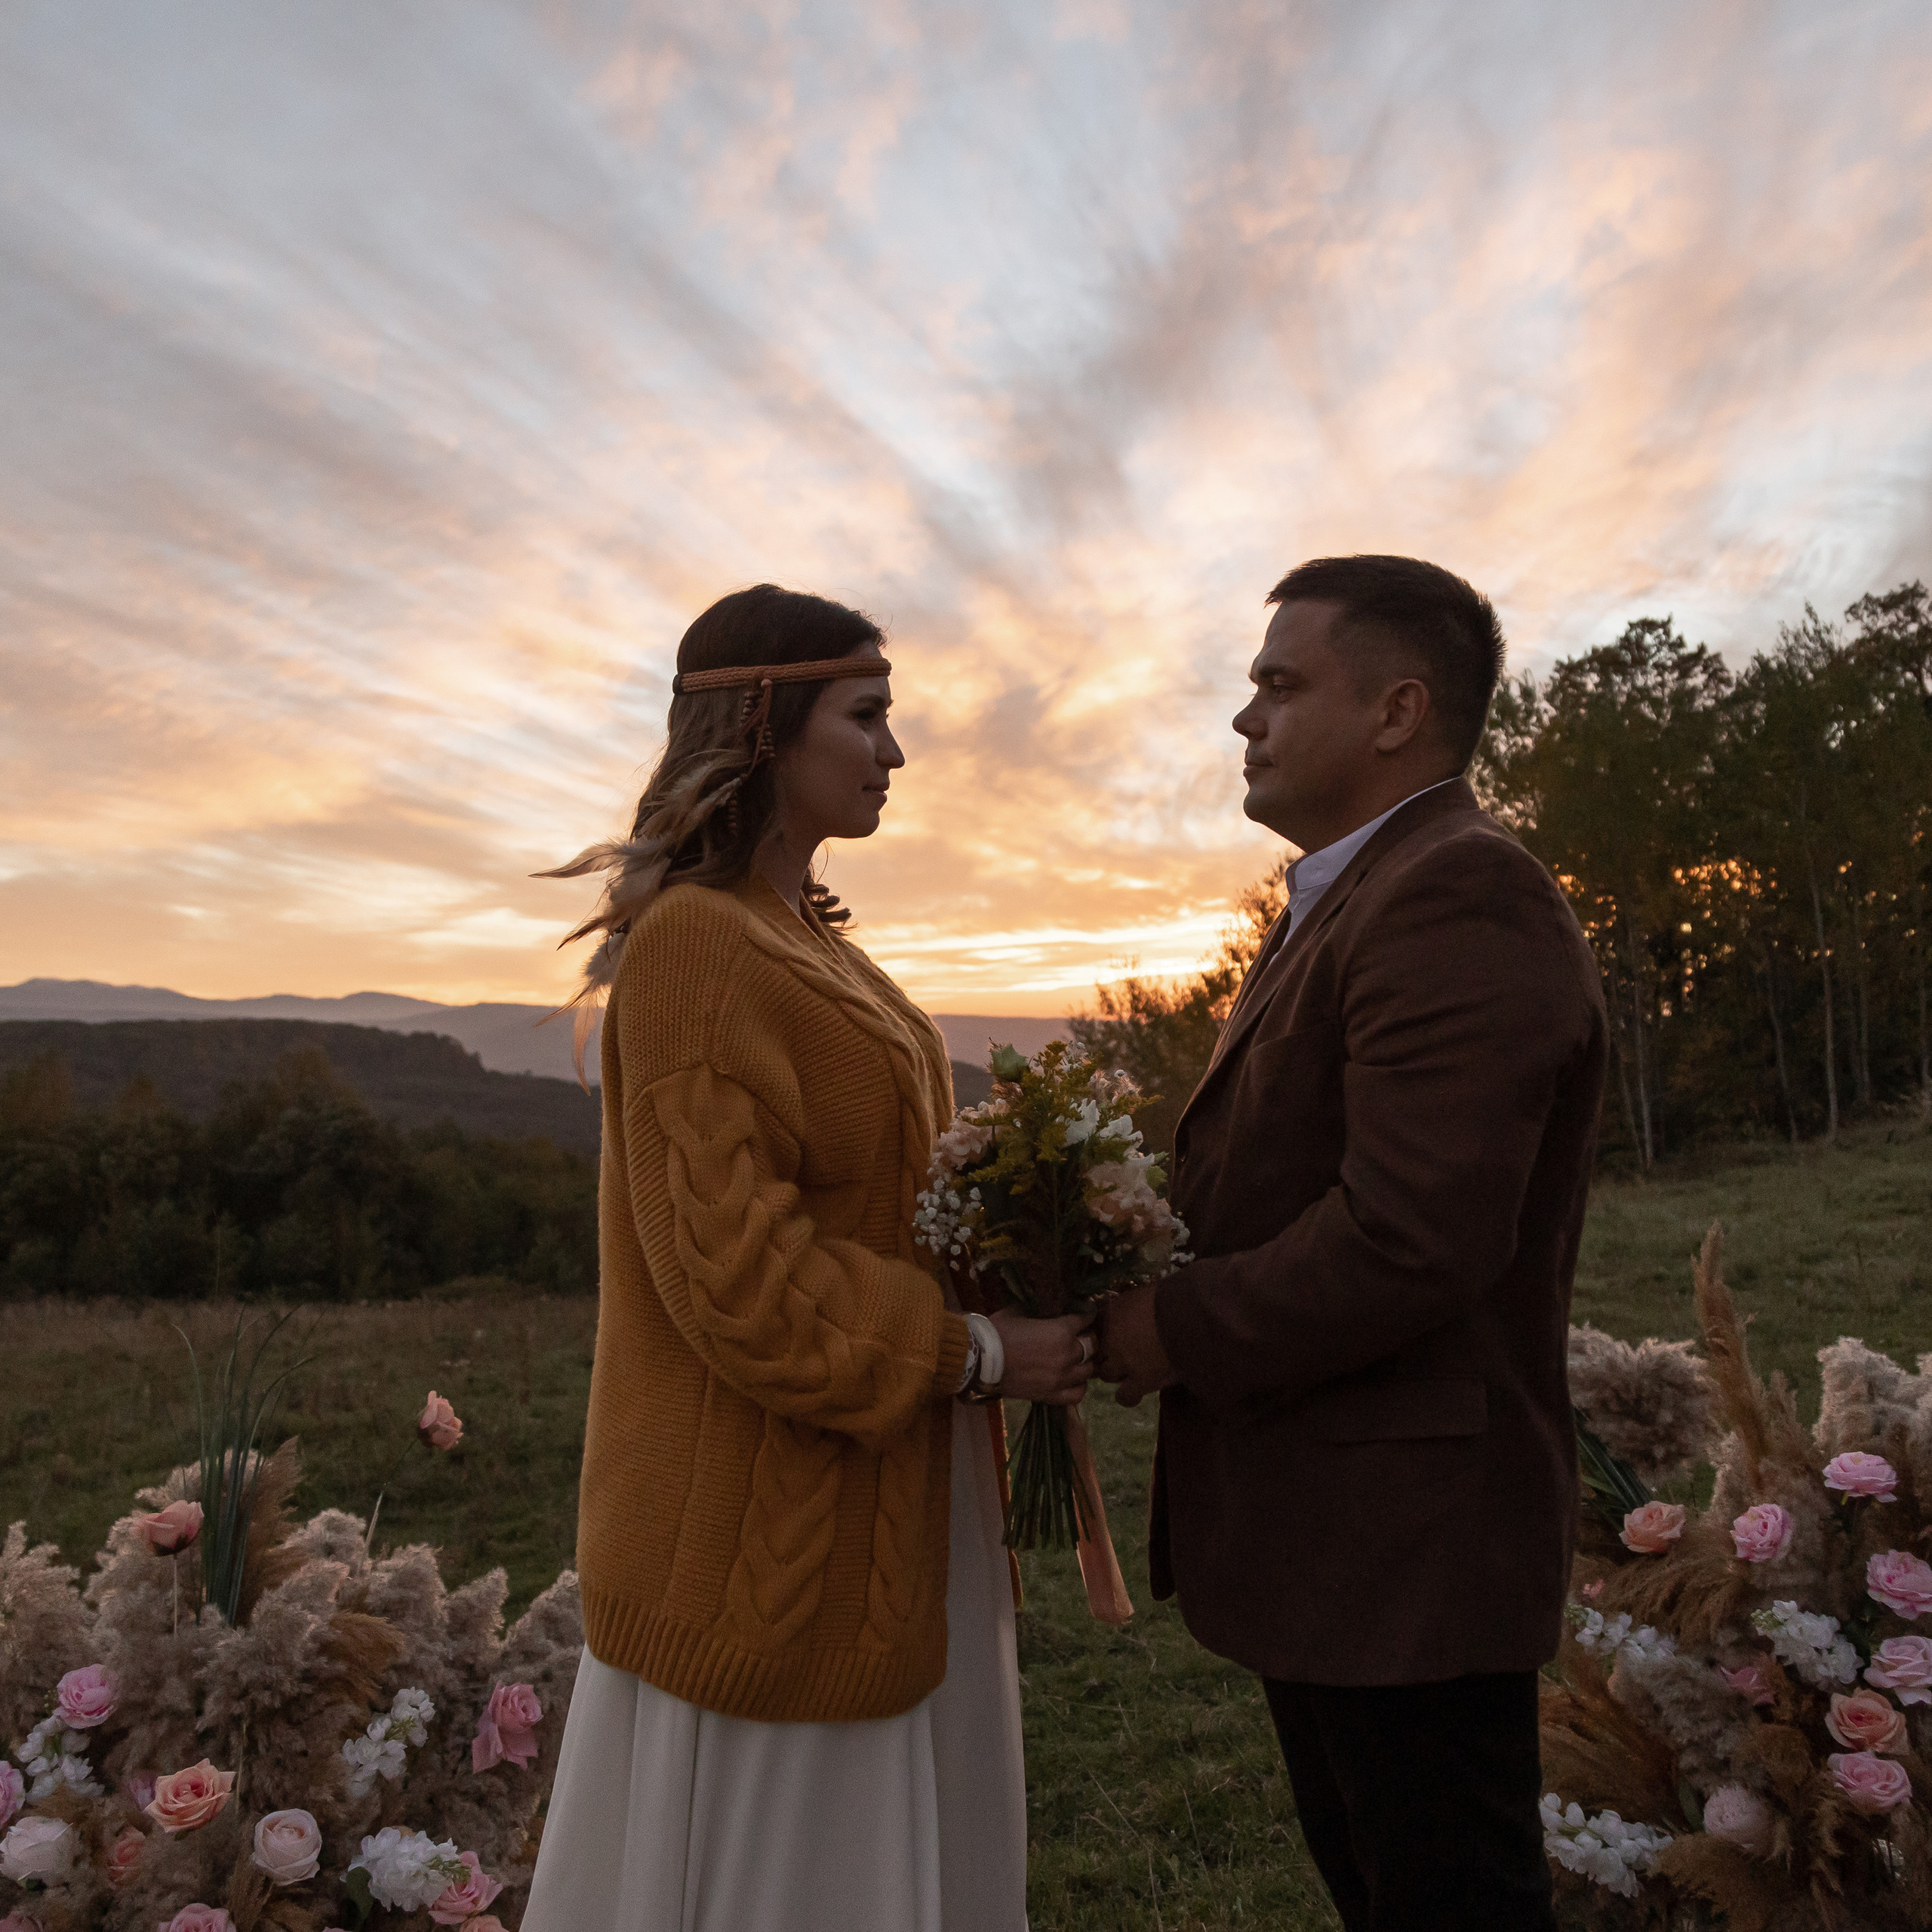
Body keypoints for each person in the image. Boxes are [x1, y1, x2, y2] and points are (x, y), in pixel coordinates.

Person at [525, 584, 1094, 1932]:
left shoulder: (803, 933)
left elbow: (868, 1201)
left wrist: (1029, 1245)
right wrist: (982, 1352)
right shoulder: (698, 950)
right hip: (766, 1552)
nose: (894, 753)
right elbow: (748, 1291)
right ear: (768, 725)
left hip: (887, 1514)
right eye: (870, 716)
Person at [1098, 555, 1607, 1932]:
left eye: (1278, 683)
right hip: (1346, 1537)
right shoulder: (1358, 887)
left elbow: (1411, 1235)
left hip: (1409, 1547)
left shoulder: (1459, 893)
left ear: (1396, 711)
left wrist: (1157, 1330)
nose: (1244, 719)